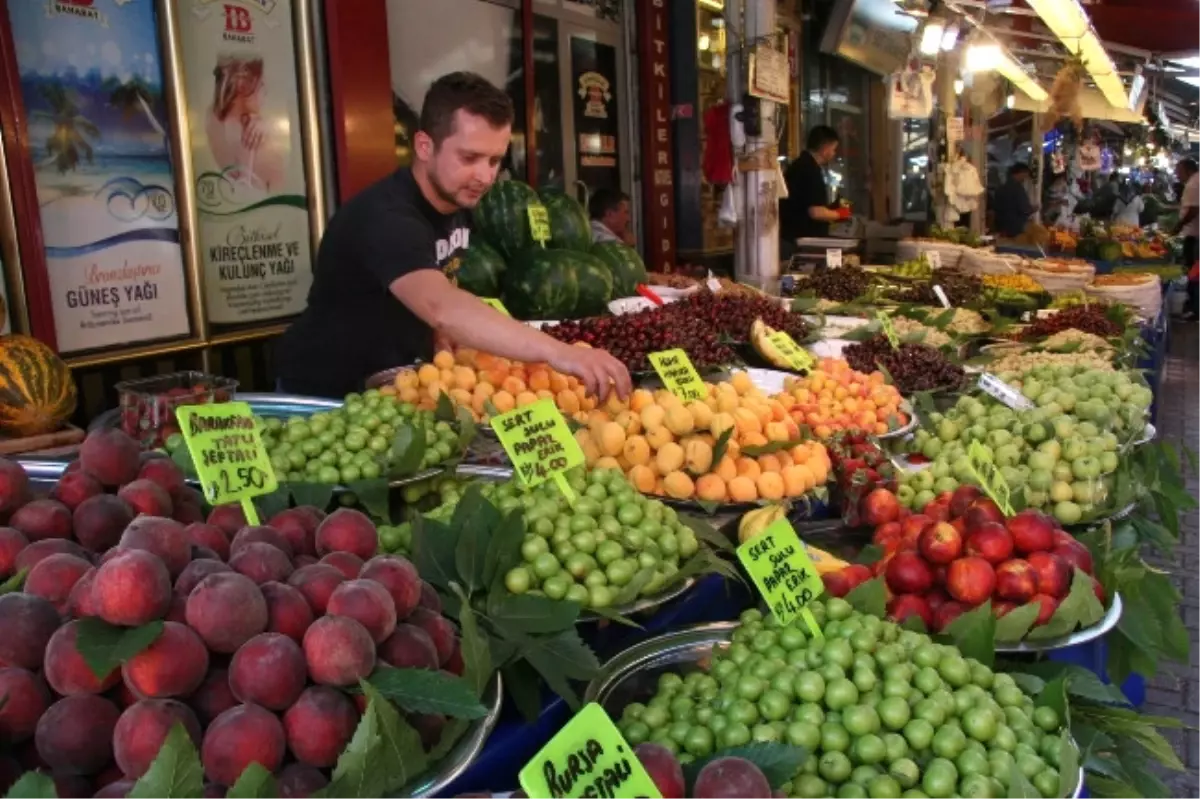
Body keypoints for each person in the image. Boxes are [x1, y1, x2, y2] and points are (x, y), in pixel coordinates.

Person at [275, 72, 631, 399]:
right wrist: (558, 351)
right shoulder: (387, 217)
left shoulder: (457, 200)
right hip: (324, 394)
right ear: (424, 146)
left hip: (394, 386)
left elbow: (438, 286)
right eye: (470, 157)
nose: (485, 177)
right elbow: (441, 305)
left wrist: (442, 339)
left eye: (494, 161)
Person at [206, 55, 286, 192]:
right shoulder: (254, 135)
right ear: (242, 85)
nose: (265, 92)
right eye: (261, 85)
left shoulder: (211, 117)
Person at [780, 126, 850, 255]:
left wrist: (831, 209)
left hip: (790, 237)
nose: (834, 153)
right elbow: (816, 212)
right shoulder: (810, 170)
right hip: (799, 244)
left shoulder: (800, 164)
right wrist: (841, 214)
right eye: (833, 149)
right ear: (825, 148)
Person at [1172, 158, 1200, 319]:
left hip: (1195, 236)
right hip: (1195, 234)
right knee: (1195, 272)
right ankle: (1193, 307)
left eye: (1178, 171)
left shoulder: (1192, 184)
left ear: (1187, 170)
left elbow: (1194, 209)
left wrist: (1179, 226)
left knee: (1195, 273)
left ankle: (1195, 310)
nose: (1177, 174)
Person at [993, 163, 1038, 238]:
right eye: (1025, 175)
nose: (1025, 179)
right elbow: (1025, 209)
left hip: (1001, 227)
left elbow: (995, 207)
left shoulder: (1000, 188)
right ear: (1021, 173)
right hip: (1016, 228)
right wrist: (1035, 208)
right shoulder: (1018, 189)